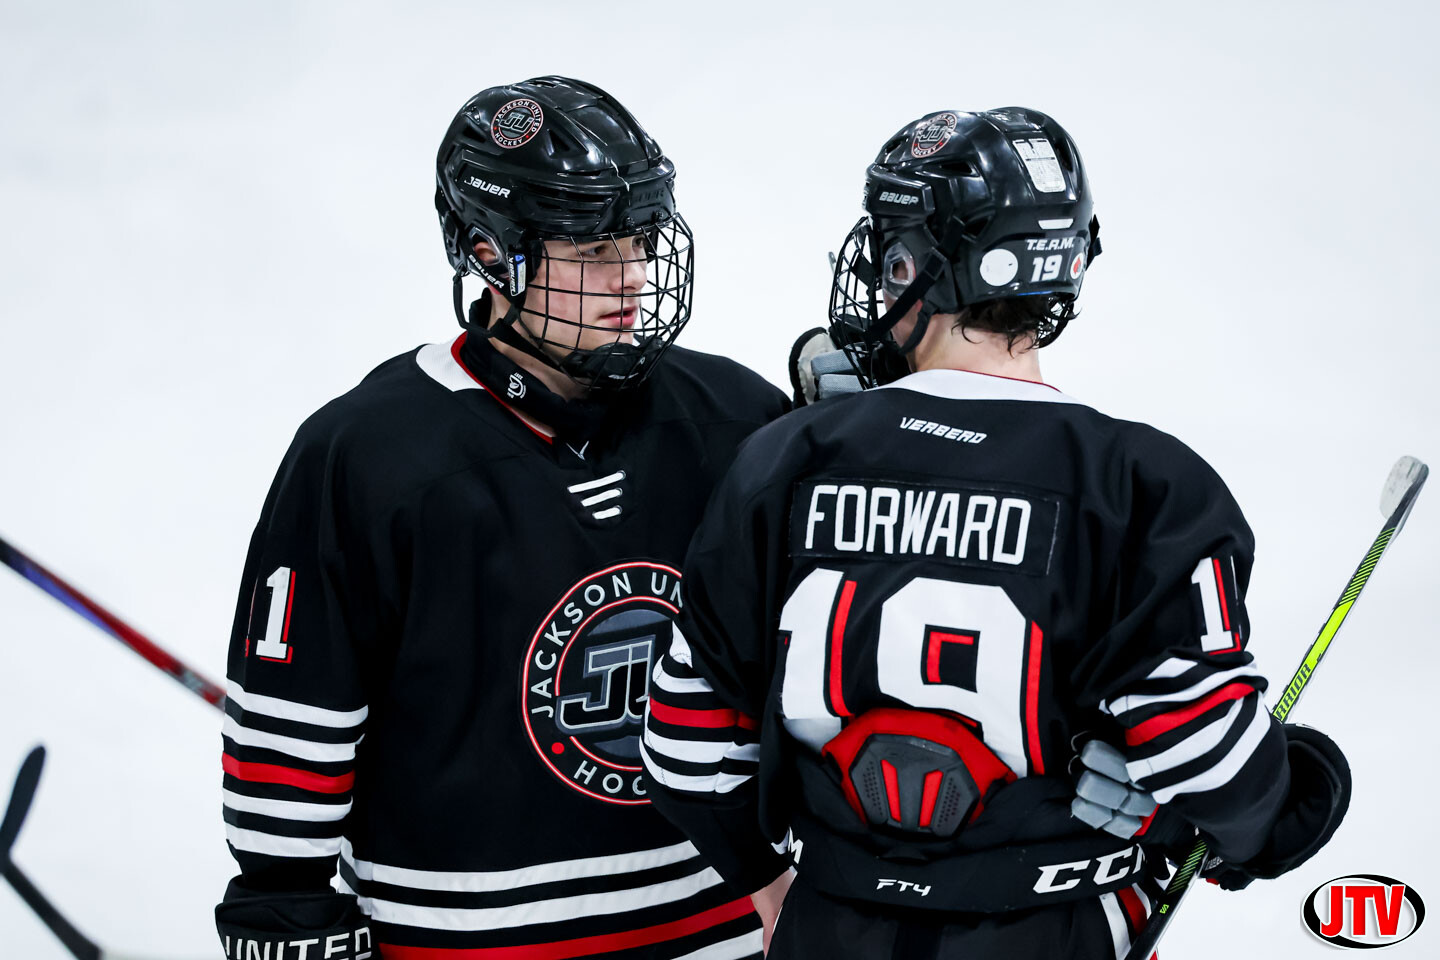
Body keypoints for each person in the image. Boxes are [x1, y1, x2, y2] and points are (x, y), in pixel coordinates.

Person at [640, 108, 1351, 959]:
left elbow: (684, 748)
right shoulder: (1142, 482)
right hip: (1059, 930)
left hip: (832, 927)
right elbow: (1205, 755)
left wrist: (772, 887)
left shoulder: (783, 458)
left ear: (912, 267)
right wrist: (1286, 807)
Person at [214, 76, 786, 960]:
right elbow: (295, 712)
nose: (632, 276)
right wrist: (284, 899)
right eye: (592, 248)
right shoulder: (367, 454)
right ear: (489, 251)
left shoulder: (737, 417)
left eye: (640, 240)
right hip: (465, 940)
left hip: (720, 931)